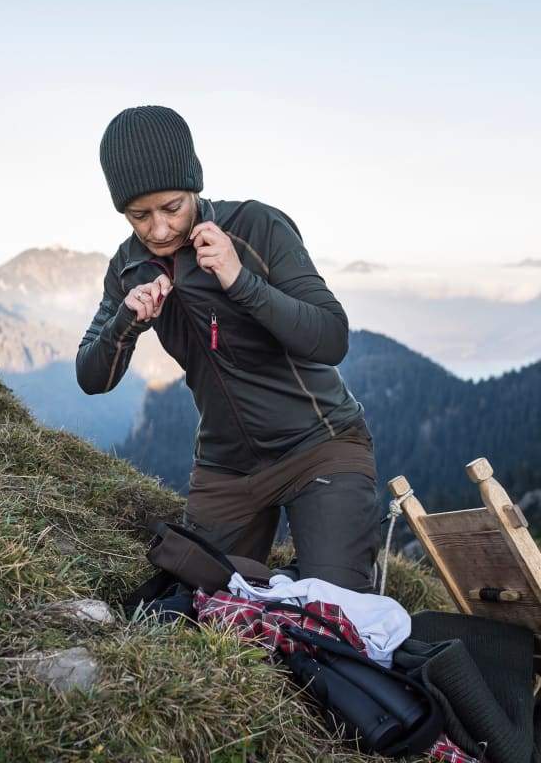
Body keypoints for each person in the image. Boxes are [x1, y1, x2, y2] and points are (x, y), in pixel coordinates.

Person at [76, 105, 381, 593]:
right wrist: (125, 322)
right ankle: (273, 586)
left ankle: (300, 582)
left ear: (194, 186)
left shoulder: (256, 227)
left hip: (320, 448)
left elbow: (331, 337)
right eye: (140, 215)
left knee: (333, 611)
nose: (158, 230)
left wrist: (241, 281)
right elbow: (91, 377)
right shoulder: (128, 265)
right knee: (193, 604)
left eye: (172, 207)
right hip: (227, 468)